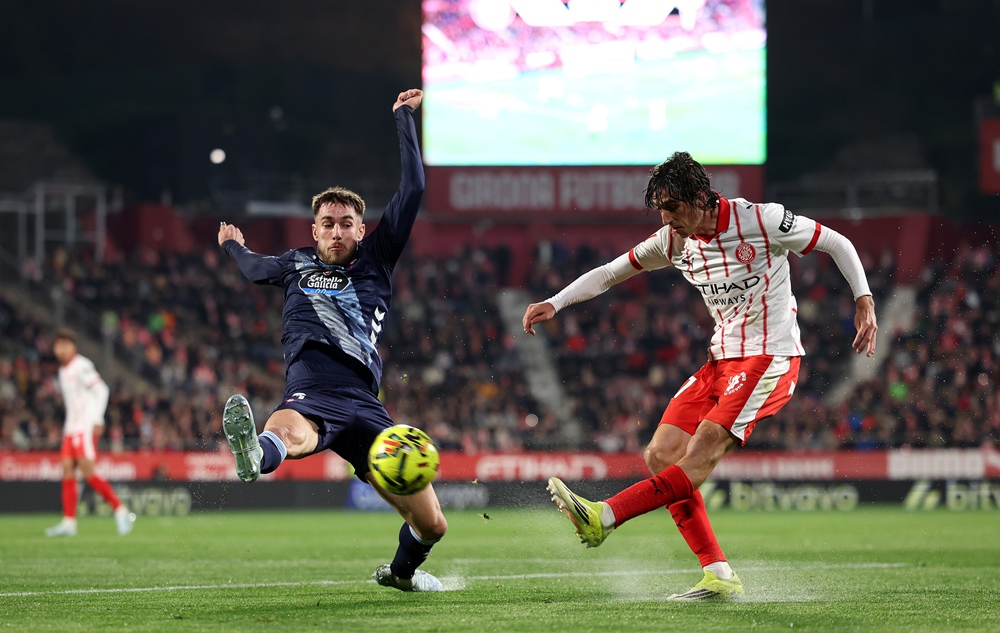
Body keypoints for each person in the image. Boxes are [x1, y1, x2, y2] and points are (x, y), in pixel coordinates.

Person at [522, 151, 877, 600]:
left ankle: (604, 517)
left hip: (769, 357)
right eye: (661, 209)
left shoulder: (761, 220)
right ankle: (719, 574)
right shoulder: (674, 241)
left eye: (672, 207)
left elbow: (837, 242)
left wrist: (863, 298)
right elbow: (611, 273)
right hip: (720, 360)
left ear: (699, 198)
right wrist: (555, 302)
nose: (666, 218)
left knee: (703, 447)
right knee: (661, 454)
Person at [216, 89, 447, 592]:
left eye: (346, 224)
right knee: (288, 429)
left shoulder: (377, 258)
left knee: (433, 524)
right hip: (313, 388)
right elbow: (256, 268)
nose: (337, 232)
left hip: (366, 403)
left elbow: (412, 189)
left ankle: (401, 575)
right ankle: (257, 454)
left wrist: (403, 118)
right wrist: (234, 247)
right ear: (314, 230)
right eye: (328, 224)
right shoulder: (295, 263)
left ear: (361, 230)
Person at [45, 329, 136, 537]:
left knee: (87, 472)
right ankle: (69, 522)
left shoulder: (81, 366)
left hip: (85, 427)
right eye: (57, 345)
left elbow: (102, 390)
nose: (60, 349)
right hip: (71, 427)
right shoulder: (62, 370)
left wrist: (97, 419)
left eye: (64, 344)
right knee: (67, 470)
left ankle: (120, 510)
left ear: (72, 347)